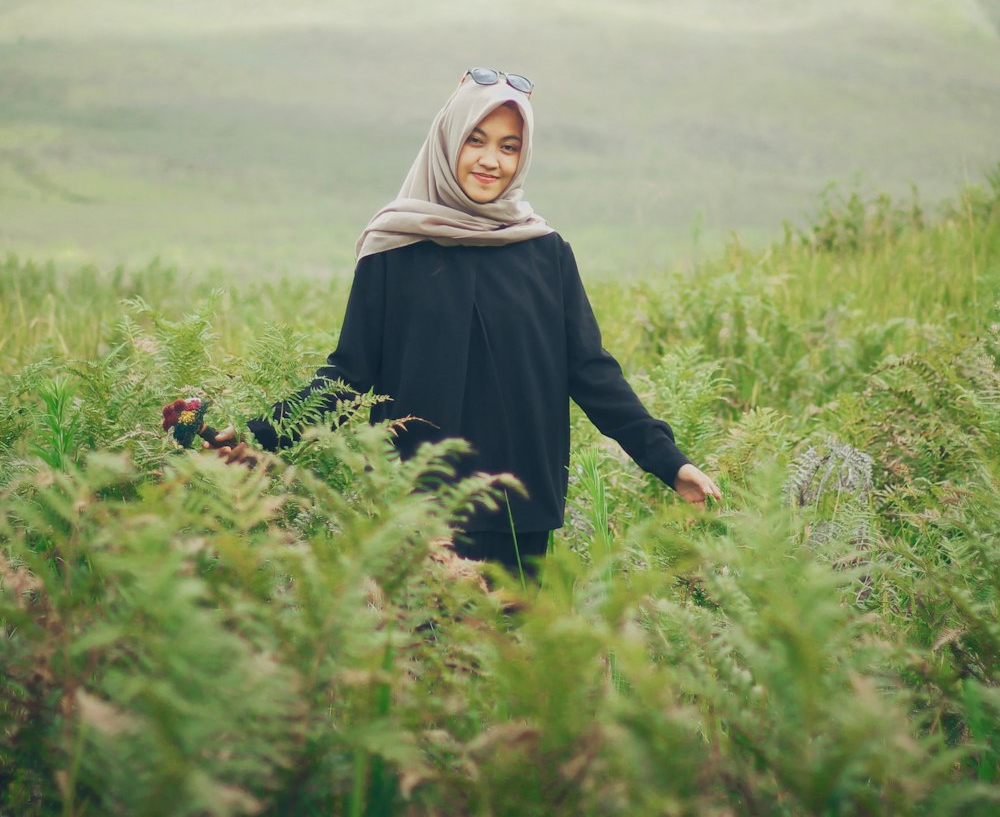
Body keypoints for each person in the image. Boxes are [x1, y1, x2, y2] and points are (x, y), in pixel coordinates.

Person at [202, 68, 721, 575]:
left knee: (509, 658)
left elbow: (590, 371)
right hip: (417, 507)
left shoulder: (545, 252)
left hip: (520, 512)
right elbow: (348, 377)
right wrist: (260, 435)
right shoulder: (393, 250)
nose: (491, 161)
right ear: (448, 142)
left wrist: (668, 462)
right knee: (423, 659)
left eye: (509, 146)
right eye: (476, 140)